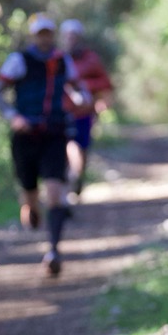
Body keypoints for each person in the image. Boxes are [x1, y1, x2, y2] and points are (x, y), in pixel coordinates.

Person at [0, 13, 90, 276]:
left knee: (55, 192)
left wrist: (81, 97)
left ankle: (54, 250)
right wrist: (13, 117)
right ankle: (31, 208)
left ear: (53, 34)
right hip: (25, 136)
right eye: (40, 33)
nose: (45, 37)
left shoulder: (62, 60)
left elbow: (78, 87)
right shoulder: (19, 60)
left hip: (54, 134)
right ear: (33, 35)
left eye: (48, 32)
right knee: (30, 196)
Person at [59, 19, 115, 200]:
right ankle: (66, 183)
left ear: (80, 38)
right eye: (67, 36)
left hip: (84, 113)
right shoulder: (57, 58)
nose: (71, 40)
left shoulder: (91, 59)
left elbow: (105, 83)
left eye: (74, 36)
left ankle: (77, 180)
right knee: (68, 146)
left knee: (82, 148)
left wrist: (89, 89)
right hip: (61, 113)